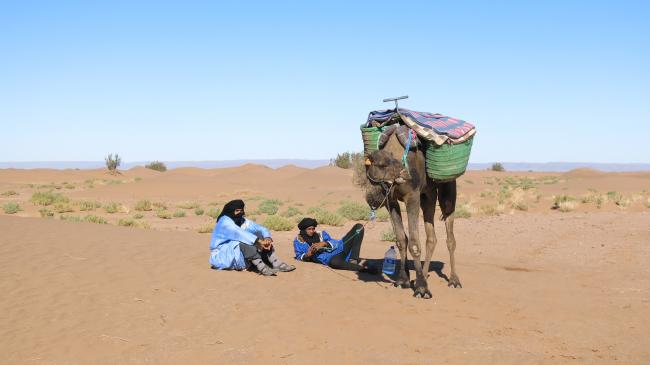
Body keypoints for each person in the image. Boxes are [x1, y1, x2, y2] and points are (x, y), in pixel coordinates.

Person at [209, 199, 295, 276]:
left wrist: (267, 238)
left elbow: (260, 228)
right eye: (237, 211)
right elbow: (239, 233)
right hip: (224, 254)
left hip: (238, 252)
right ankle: (261, 267)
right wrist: (259, 241)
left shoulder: (242, 221)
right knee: (242, 241)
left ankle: (275, 262)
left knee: (259, 233)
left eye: (241, 210)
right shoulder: (224, 221)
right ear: (230, 211)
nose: (240, 213)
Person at [293, 217, 375, 273]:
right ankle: (363, 269)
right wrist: (308, 254)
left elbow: (335, 242)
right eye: (309, 229)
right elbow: (299, 255)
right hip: (332, 258)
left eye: (313, 228)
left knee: (359, 227)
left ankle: (353, 259)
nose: (312, 231)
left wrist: (324, 243)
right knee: (334, 263)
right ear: (304, 230)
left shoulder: (321, 234)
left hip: (341, 248)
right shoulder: (299, 241)